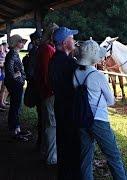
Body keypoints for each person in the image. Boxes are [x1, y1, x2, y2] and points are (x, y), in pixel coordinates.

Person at [74, 40, 127, 180]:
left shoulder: (74, 74)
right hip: (99, 119)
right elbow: (111, 101)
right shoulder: (98, 76)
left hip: (81, 118)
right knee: (113, 155)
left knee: (85, 155)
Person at [49, 26, 80, 179]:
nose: (73, 40)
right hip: (69, 109)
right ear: (64, 42)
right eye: (71, 38)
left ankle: (64, 173)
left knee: (63, 142)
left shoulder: (55, 59)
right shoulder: (68, 63)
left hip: (61, 106)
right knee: (71, 144)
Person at [34, 23, 59, 165]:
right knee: (51, 124)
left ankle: (46, 151)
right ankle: (51, 157)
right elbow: (45, 73)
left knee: (47, 122)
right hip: (48, 92)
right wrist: (52, 89)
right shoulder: (47, 49)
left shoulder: (44, 48)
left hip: (45, 91)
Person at [4, 34, 30, 141]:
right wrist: (17, 75)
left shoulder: (14, 53)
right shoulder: (12, 54)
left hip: (17, 84)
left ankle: (17, 129)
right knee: (15, 108)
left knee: (17, 107)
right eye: (20, 41)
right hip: (15, 85)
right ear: (15, 43)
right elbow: (9, 71)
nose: (23, 43)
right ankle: (14, 131)